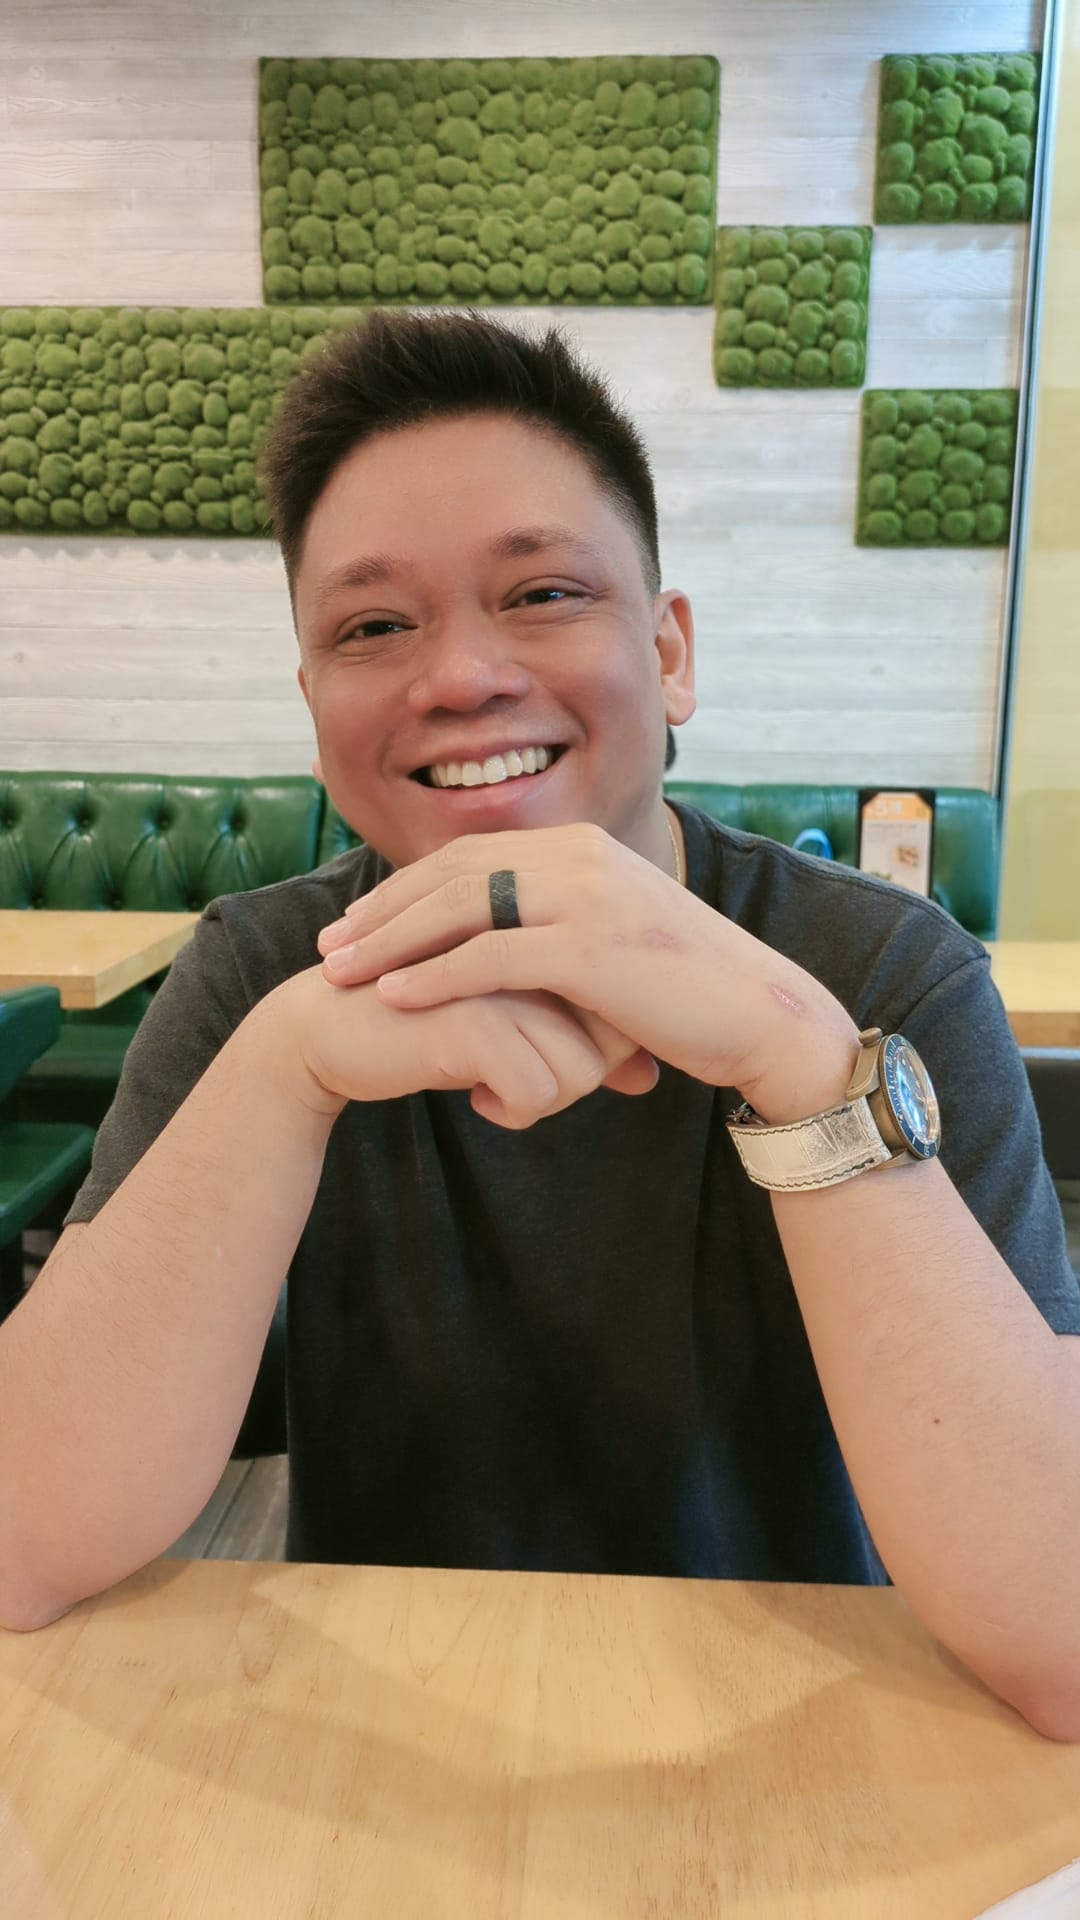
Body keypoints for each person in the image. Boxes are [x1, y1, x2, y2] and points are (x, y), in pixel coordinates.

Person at [2, 311, 1079, 1741]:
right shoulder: (259, 976)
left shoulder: (883, 973)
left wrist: (797, 1062)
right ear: (315, 701)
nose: (459, 677)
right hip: (386, 1751)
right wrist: (286, 1067)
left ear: (670, 651)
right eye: (372, 626)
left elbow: (1062, 1637)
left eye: (544, 593)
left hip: (816, 1741)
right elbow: (23, 1539)